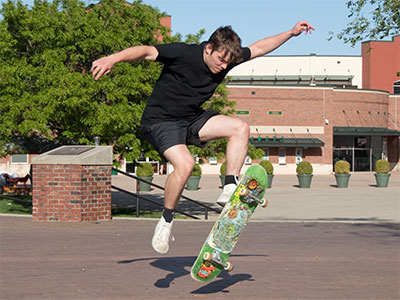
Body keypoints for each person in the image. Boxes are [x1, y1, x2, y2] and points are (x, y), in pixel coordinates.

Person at [91, 21, 314, 254]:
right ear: (209, 48)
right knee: (185, 165)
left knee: (240, 127)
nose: (223, 66)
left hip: (191, 119)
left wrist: (290, 33)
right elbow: (146, 51)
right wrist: (112, 59)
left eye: (228, 62)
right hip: (160, 121)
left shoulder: (227, 58)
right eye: (220, 59)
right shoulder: (183, 53)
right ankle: (166, 221)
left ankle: (229, 185)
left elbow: (258, 48)